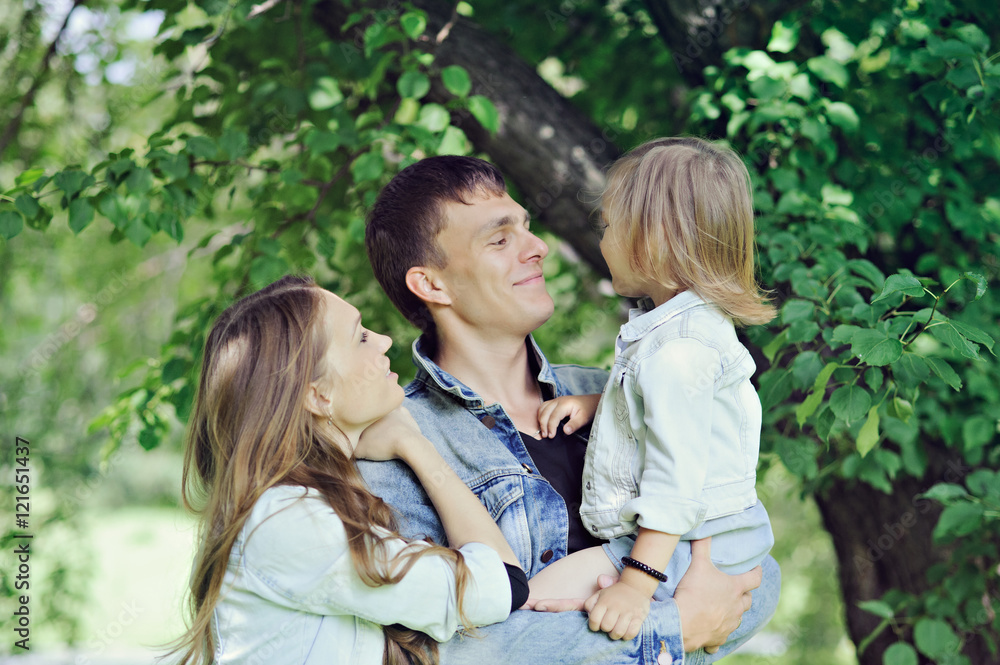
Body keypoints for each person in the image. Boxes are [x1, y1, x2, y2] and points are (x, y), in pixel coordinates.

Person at [359, 155, 780, 664]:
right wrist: (676, 627)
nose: (537, 249)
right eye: (500, 239)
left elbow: (754, 567)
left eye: (527, 229)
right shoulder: (395, 445)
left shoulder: (616, 391)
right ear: (431, 285)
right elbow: (437, 654)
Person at [170, 275, 528, 665]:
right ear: (319, 395)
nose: (384, 340)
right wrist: (416, 447)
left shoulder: (305, 504)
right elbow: (503, 585)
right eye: (360, 338)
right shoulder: (291, 522)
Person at [526, 137, 778, 644]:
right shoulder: (679, 336)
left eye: (608, 227)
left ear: (654, 238)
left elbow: (675, 481)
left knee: (529, 607)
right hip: (696, 539)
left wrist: (636, 586)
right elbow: (680, 418)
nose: (601, 242)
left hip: (679, 545)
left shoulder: (678, 353)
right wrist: (602, 406)